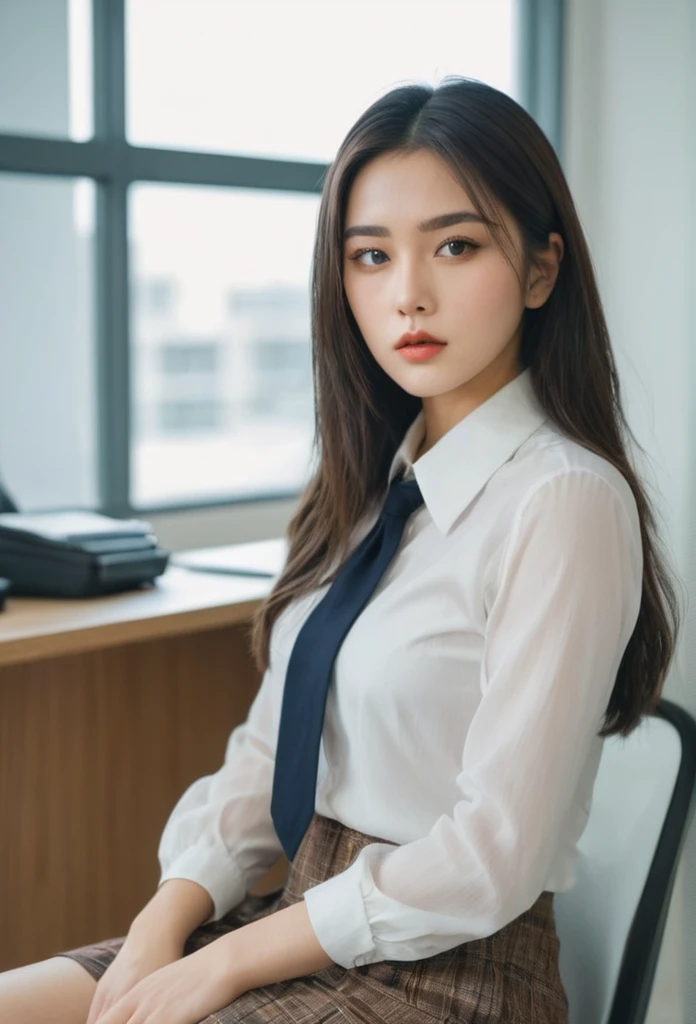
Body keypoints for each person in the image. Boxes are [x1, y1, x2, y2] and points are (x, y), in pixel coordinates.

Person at [0, 76, 681, 1024]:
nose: (408, 293)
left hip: (455, 975)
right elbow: (265, 753)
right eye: (370, 255)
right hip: (293, 925)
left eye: (456, 244)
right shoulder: (368, 496)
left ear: (540, 269)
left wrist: (227, 964)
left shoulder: (562, 500)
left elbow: (495, 851)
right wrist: (169, 921)